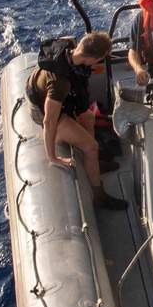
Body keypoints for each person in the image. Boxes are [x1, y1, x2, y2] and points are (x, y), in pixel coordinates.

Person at [26, 31, 128, 211]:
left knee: (88, 117)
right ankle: (99, 195)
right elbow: (49, 121)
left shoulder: (68, 44)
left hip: (47, 96)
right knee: (91, 147)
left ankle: (93, 164)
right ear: (90, 60)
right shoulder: (59, 84)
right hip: (42, 110)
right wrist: (53, 158)